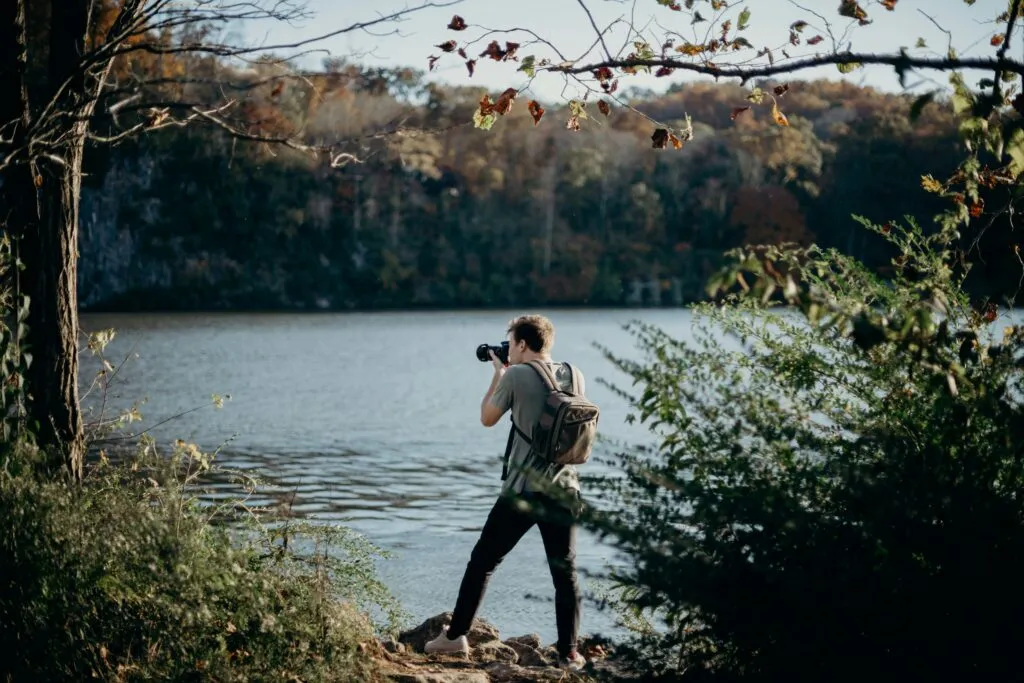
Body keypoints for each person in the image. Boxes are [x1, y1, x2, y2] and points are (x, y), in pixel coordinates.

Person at [424, 314, 587, 672]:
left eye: (510, 342)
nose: (508, 347)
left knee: (483, 562)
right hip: (565, 489)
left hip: (523, 491)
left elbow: (488, 417)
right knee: (566, 573)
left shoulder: (514, 375)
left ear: (523, 345)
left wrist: (498, 374)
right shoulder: (575, 373)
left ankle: (455, 637)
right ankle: (570, 653)